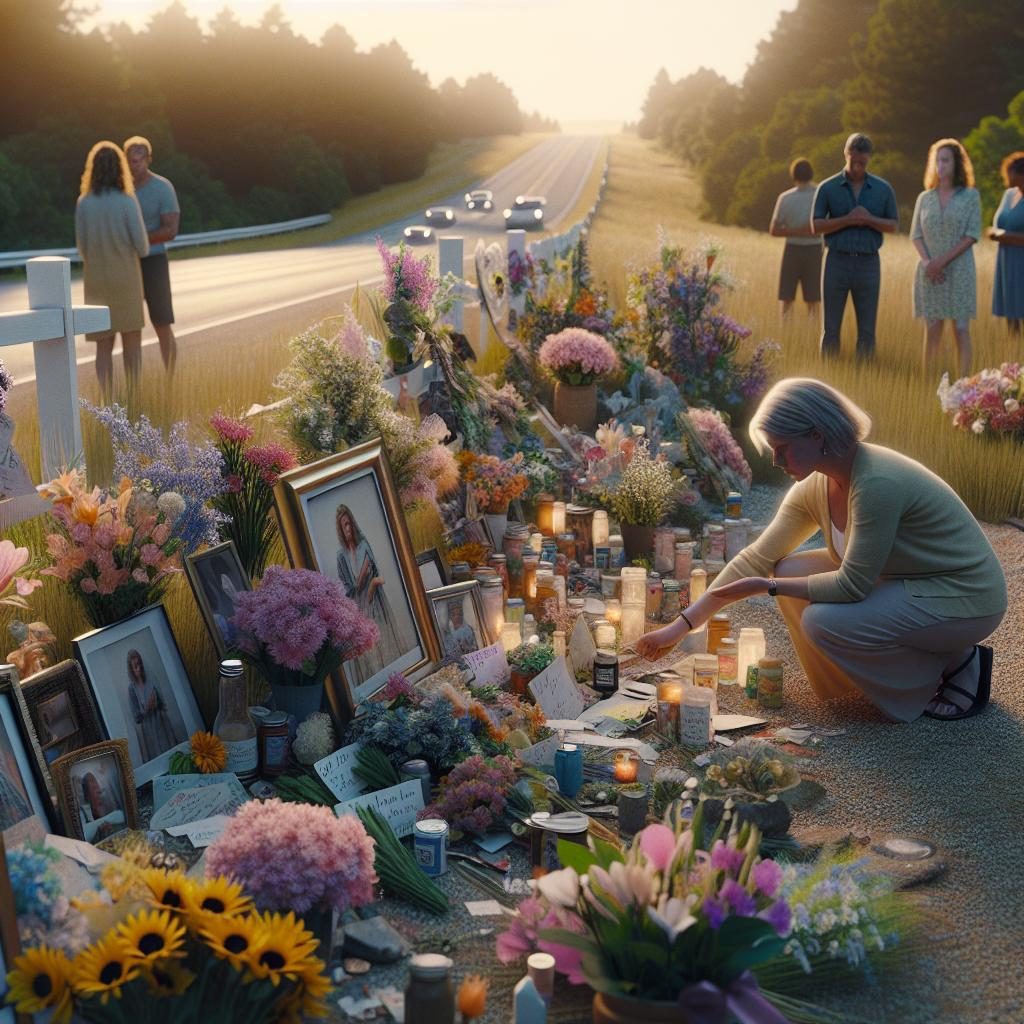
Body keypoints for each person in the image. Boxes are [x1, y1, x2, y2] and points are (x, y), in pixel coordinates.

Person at [636, 378, 1006, 723]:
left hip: (965, 597)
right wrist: (679, 627)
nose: (777, 462)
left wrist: (767, 587)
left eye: (782, 449)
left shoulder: (876, 482)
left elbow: (852, 586)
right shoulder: (818, 485)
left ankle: (953, 663)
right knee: (788, 569)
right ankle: (906, 666)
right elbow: (756, 559)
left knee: (821, 619)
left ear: (816, 435)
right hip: (909, 581)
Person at [812, 134, 899, 359]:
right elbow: (816, 225)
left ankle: (864, 376)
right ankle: (829, 377)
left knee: (867, 331)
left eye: (863, 162)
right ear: (846, 154)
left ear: (869, 158)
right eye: (854, 161)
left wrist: (869, 219)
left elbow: (893, 225)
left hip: (869, 263)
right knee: (830, 329)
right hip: (835, 262)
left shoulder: (883, 189)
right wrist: (847, 220)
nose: (858, 167)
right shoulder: (827, 188)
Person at [75, 141, 149, 395]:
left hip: (96, 282)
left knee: (103, 348)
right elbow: (143, 246)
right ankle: (134, 397)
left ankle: (108, 403)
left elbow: (82, 247)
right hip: (126, 280)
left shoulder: (83, 203)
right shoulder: (127, 201)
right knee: (132, 344)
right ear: (120, 168)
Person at [910, 139, 982, 379]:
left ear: (957, 163)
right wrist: (929, 263)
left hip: (959, 270)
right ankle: (928, 380)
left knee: (960, 329)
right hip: (929, 272)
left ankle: (965, 385)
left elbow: (972, 234)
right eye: (937, 160)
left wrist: (941, 262)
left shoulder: (970, 196)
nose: (940, 165)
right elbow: (915, 235)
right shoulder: (925, 197)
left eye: (945, 160)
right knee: (932, 329)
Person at [335, 503, 416, 684]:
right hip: (358, 607)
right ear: (340, 529)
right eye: (344, 525)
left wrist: (369, 584)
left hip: (375, 605)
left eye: (349, 524)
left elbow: (376, 573)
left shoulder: (364, 545)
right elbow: (346, 586)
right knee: (367, 651)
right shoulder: (341, 556)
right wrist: (358, 591)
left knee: (382, 642)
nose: (347, 528)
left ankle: (396, 682)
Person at [124, 136, 180, 374]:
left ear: (148, 159)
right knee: (129, 326)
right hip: (126, 263)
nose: (134, 165)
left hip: (154, 261)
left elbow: (171, 229)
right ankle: (133, 387)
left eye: (138, 160)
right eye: (130, 161)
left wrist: (140, 238)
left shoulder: (162, 187)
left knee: (162, 322)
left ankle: (170, 379)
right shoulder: (120, 189)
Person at [769, 158, 823, 320]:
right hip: (815, 250)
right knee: (814, 299)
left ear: (793, 175)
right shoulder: (821, 194)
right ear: (811, 174)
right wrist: (808, 230)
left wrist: (793, 231)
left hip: (791, 249)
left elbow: (774, 230)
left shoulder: (785, 198)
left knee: (786, 298)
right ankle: (815, 335)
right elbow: (824, 227)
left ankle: (785, 334)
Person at [988, 151, 1024, 337]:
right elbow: (997, 224)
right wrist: (993, 233)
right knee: (1012, 317)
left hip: (1021, 261)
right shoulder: (1008, 194)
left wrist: (1006, 236)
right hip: (1006, 261)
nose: (1006, 176)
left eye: (1010, 172)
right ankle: (1014, 359)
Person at [126, 648, 182, 761]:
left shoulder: (151, 680)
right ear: (131, 669)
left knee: (173, 755)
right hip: (149, 730)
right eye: (136, 665)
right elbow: (137, 718)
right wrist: (147, 708)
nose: (140, 667)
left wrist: (158, 703)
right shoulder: (132, 689)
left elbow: (162, 704)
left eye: (140, 663)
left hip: (162, 723)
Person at [78, 769, 125, 842]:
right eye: (94, 788)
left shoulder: (108, 803)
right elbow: (84, 835)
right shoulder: (82, 812)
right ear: (87, 794)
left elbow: (121, 816)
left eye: (97, 787)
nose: (98, 790)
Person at [441, 598, 479, 666]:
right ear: (450, 617)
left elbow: (476, 648)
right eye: (454, 615)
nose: (457, 617)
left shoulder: (469, 630)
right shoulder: (447, 636)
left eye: (459, 614)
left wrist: (468, 647)